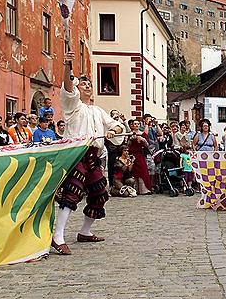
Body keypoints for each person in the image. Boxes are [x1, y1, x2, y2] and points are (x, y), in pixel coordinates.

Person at [51, 50, 124, 256]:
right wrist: (66, 66)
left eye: (90, 84)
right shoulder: (73, 106)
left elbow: (116, 125)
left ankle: (84, 231)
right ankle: (58, 236)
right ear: (77, 88)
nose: (88, 86)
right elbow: (67, 88)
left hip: (93, 156)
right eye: (84, 84)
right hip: (76, 154)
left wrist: (113, 130)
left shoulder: (97, 110)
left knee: (100, 192)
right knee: (72, 193)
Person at [127, 119, 152, 195]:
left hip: (140, 155)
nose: (136, 125)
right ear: (132, 125)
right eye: (135, 124)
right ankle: (136, 189)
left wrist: (143, 140)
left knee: (142, 171)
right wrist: (131, 139)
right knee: (134, 172)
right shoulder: (130, 134)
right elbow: (127, 145)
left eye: (138, 124)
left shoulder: (142, 134)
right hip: (132, 155)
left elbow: (147, 145)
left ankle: (144, 189)